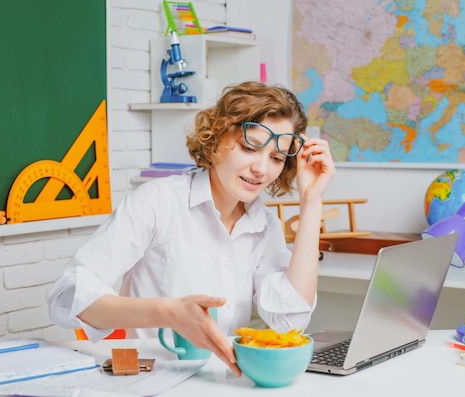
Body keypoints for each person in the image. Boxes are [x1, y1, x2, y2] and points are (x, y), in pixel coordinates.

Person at [48, 81, 336, 376]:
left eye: (276, 158)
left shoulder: (263, 226)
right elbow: (68, 294)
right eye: (250, 147)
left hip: (220, 381)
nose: (261, 169)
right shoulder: (159, 201)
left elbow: (290, 321)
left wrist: (311, 201)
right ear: (218, 136)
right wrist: (168, 313)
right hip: (150, 379)